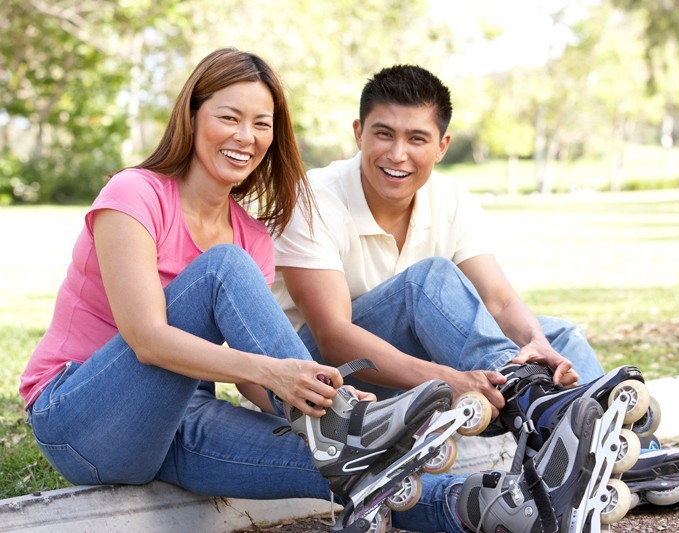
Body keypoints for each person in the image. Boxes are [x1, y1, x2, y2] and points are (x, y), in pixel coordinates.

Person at [18, 49, 629, 533]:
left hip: (182, 422)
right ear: (193, 115)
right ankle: (346, 422)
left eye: (262, 123)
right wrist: (294, 381)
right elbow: (147, 338)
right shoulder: (135, 193)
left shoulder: (252, 234)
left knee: (355, 465)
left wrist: (321, 404)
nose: (245, 135)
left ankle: (499, 508)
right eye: (228, 116)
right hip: (82, 416)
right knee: (224, 273)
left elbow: (261, 385)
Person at [271, 64, 605, 416]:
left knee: (557, 338)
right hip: (318, 379)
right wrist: (448, 379)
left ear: (441, 146)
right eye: (384, 134)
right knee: (426, 281)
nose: (397, 154)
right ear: (359, 133)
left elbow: (500, 303)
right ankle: (528, 397)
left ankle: (626, 446)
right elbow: (332, 336)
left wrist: (534, 342)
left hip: (405, 368)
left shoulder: (450, 199)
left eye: (416, 139)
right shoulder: (315, 200)